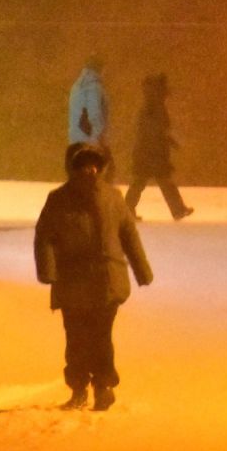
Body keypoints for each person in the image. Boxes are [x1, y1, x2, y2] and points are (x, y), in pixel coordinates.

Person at [34, 141, 153, 412]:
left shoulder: (109, 197)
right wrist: (48, 271)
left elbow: (128, 235)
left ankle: (99, 387)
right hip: (82, 281)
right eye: (84, 165)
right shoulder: (64, 199)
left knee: (93, 336)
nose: (90, 170)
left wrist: (141, 270)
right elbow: (45, 239)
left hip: (102, 280)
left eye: (94, 165)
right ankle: (86, 387)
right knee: (82, 336)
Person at [125, 73, 194, 221]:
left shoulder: (151, 104)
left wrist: (168, 140)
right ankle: (177, 210)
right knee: (155, 182)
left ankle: (177, 210)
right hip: (153, 152)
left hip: (148, 151)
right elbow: (157, 130)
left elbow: (155, 129)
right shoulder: (154, 106)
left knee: (143, 182)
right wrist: (168, 141)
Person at [68, 55, 109, 147]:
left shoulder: (76, 86)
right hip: (91, 146)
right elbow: (95, 115)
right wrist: (101, 143)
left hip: (74, 144)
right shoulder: (95, 87)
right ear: (99, 68)